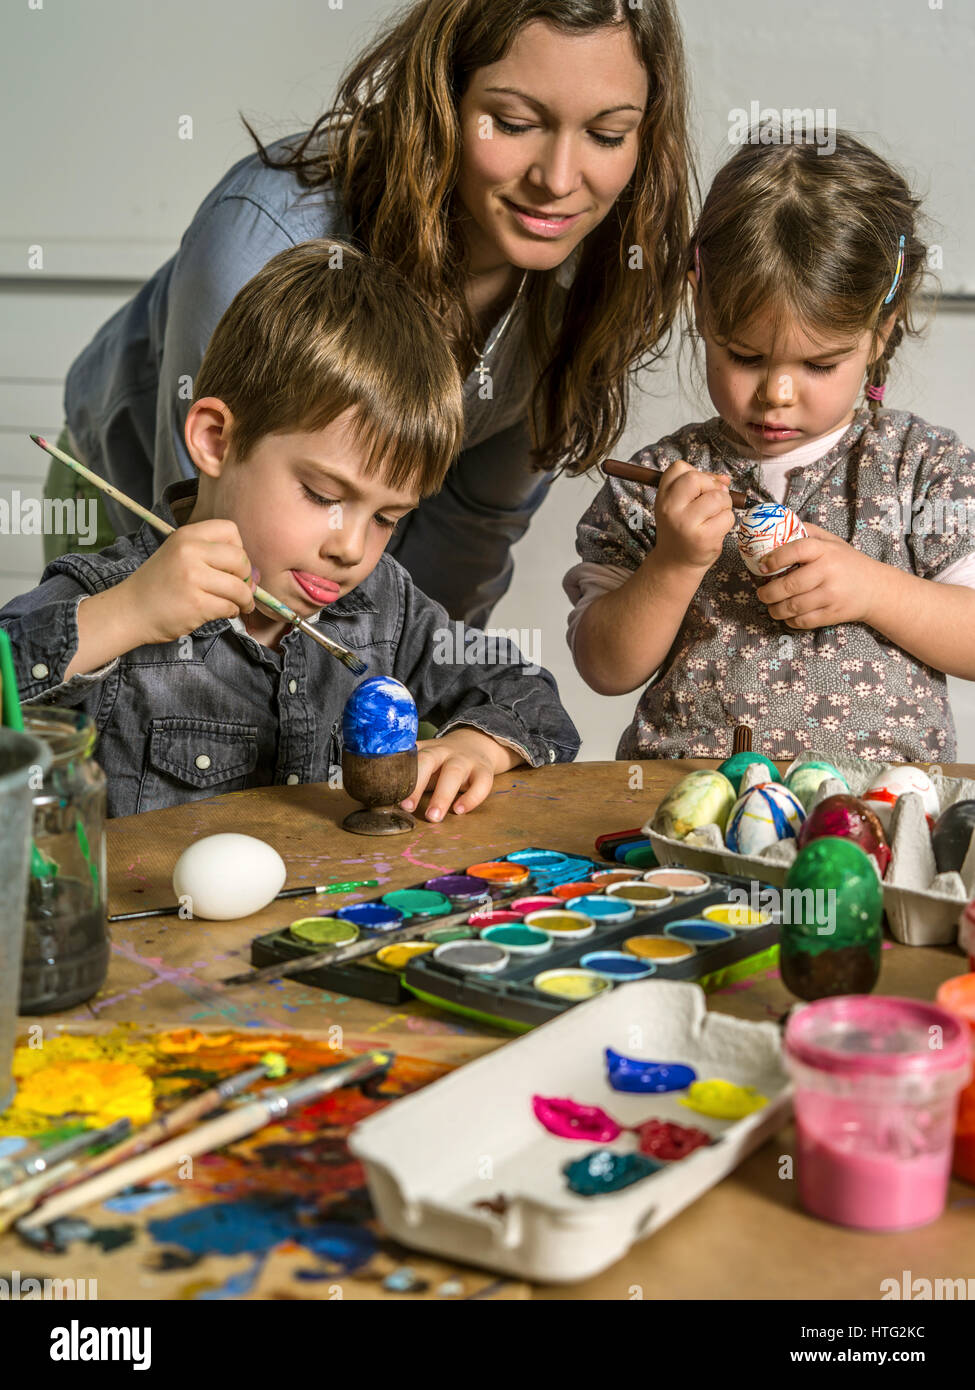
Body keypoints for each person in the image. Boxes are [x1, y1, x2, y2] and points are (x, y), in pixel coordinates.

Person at [47, 0, 695, 629]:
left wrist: (422, 707)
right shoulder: (263, 239)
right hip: (138, 499)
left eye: (605, 135)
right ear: (444, 99)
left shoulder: (588, 286)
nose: (557, 180)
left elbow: (469, 536)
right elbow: (207, 530)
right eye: (515, 122)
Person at [2, 242, 580, 818]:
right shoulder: (116, 591)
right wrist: (126, 615)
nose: (350, 549)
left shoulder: (384, 607)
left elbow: (528, 690)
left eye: (386, 519)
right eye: (323, 496)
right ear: (215, 440)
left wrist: (476, 746)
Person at [566, 128, 975, 764]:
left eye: (819, 365)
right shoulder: (654, 481)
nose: (777, 393)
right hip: (691, 808)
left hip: (874, 815)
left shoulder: (921, 469)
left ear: (881, 330)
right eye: (746, 356)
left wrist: (874, 590)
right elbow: (605, 666)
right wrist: (672, 564)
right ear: (700, 305)